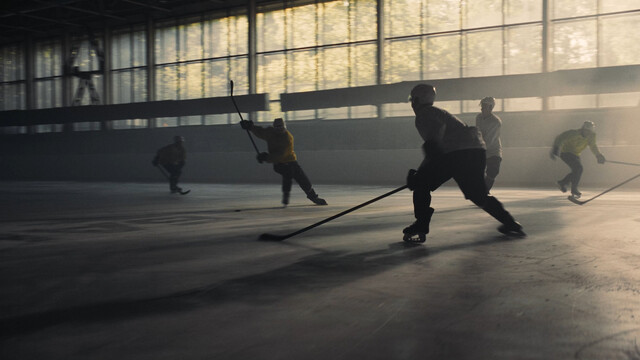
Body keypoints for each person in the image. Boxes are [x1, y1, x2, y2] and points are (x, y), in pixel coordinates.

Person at [403, 84, 524, 242]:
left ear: (417, 100)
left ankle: (421, 224)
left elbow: (434, 143)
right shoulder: (437, 112)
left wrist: (421, 172)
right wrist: (423, 170)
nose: (412, 103)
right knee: (478, 194)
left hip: (456, 154)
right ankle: (510, 223)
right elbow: (437, 145)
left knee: (421, 185)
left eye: (413, 99)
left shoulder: (424, 114)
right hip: (474, 151)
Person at [240, 118, 327, 206]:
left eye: (281, 126)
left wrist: (266, 158)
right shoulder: (270, 132)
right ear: (274, 127)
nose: (279, 129)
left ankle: (312, 196)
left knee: (301, 178)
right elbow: (261, 132)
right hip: (279, 164)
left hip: (289, 160)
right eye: (277, 127)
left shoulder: (287, 138)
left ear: (284, 126)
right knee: (288, 172)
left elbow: (281, 155)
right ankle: (287, 194)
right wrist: (251, 127)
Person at [550, 121, 606, 198]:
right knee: (579, 168)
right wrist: (555, 148)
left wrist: (598, 155)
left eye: (589, 132)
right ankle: (572, 188)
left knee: (578, 170)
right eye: (586, 131)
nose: (588, 133)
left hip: (576, 154)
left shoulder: (591, 136)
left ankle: (563, 183)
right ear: (582, 129)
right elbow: (560, 137)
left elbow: (593, 146)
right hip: (566, 153)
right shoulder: (573, 133)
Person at [475, 96, 502, 192]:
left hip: (493, 150)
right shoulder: (478, 117)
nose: (481, 108)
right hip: (481, 148)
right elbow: (478, 132)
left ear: (490, 108)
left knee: (493, 171)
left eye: (484, 106)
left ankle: (484, 191)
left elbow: (490, 139)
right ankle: (482, 191)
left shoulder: (495, 121)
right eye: (482, 106)